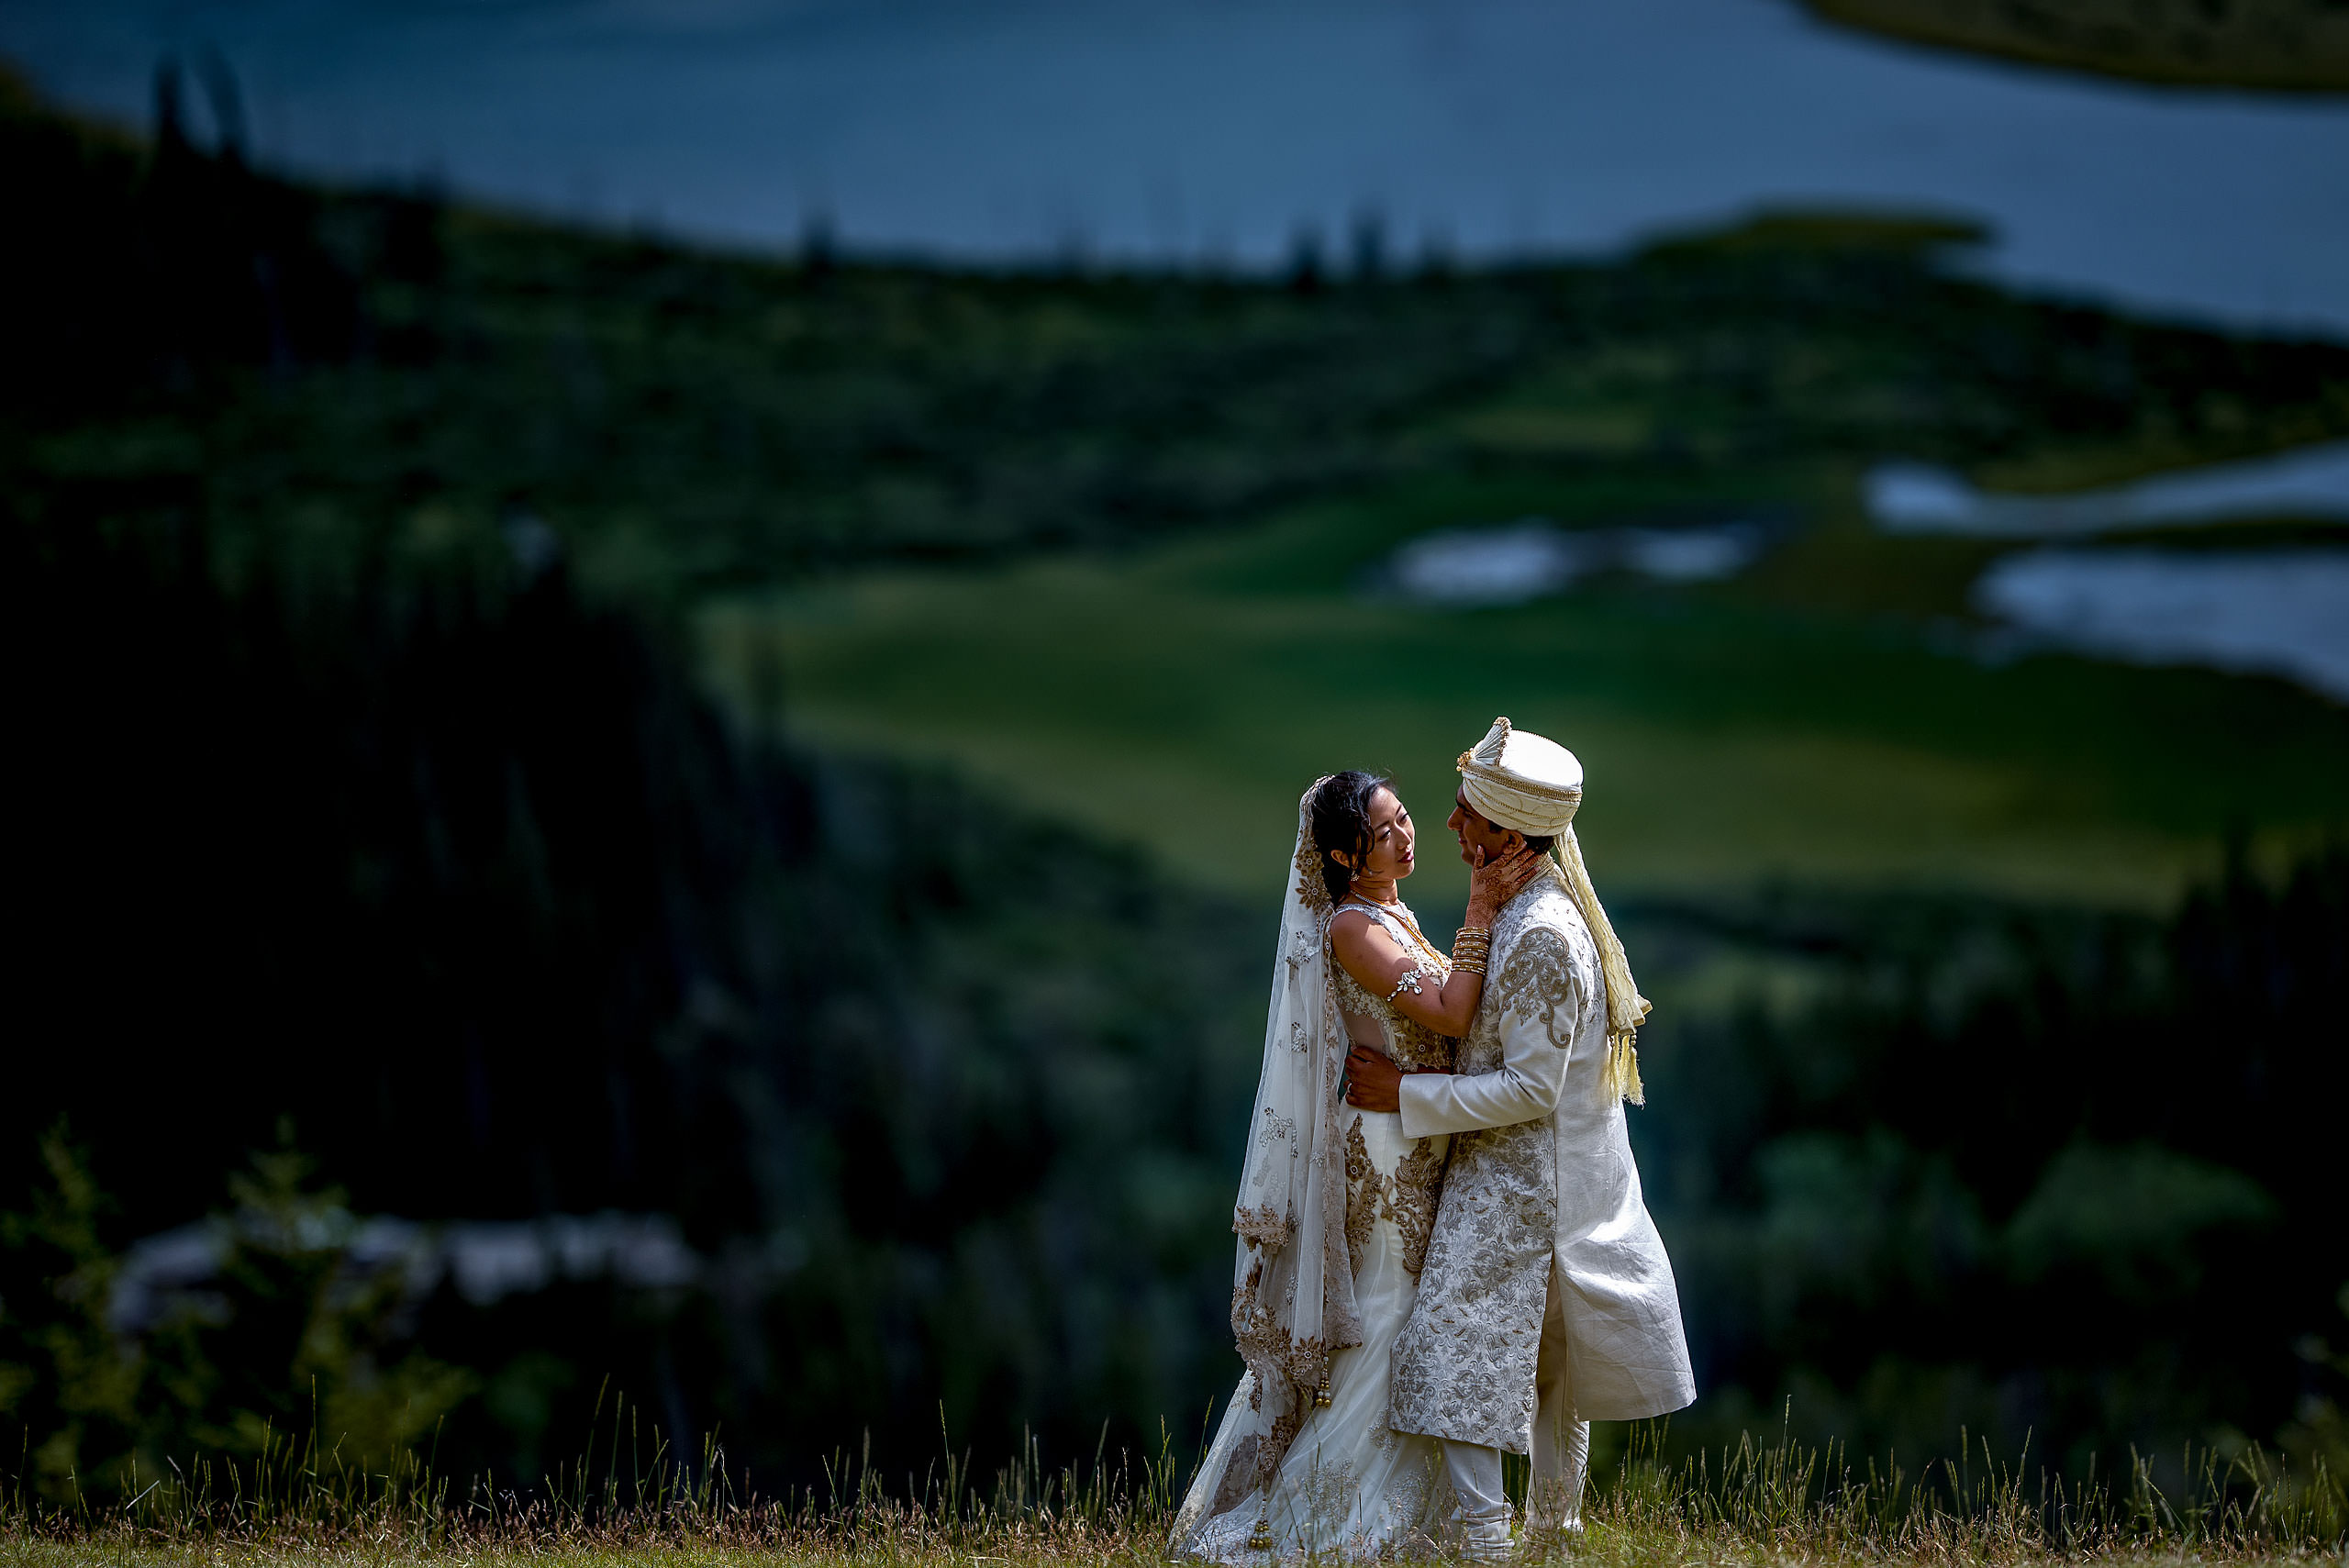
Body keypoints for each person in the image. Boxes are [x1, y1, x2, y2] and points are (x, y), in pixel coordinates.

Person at [1345, 717, 1697, 1561]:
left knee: (1451, 1349)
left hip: (1525, 1183)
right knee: (1548, 1366)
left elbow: (1534, 1086)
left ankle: (1488, 1540)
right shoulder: (1526, 906)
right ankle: (1553, 1533)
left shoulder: (1540, 934)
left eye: (1469, 814)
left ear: (1510, 831)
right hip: (1535, 1175)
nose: (1454, 825)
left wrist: (1406, 1092)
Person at [1171, 770, 1543, 1561]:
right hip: (1382, 1164)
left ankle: (1421, 1516)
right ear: (1345, 854)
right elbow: (1448, 1011)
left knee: (1410, 1321)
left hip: (1410, 1131)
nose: (1407, 837)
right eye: (1385, 832)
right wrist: (1482, 907)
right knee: (1389, 1321)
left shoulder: (1389, 911)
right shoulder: (1349, 926)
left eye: (1406, 818)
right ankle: (1317, 1521)